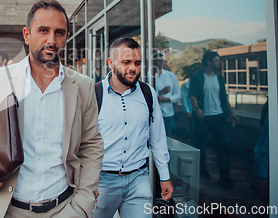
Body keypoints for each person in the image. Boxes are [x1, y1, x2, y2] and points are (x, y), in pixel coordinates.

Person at [0, 0, 104, 218]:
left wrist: (82, 205)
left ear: (67, 37)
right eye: (43, 31)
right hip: (7, 209)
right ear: (27, 35)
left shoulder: (83, 86)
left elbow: (92, 144)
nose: (51, 40)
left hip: (66, 209)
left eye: (59, 33)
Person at [94, 37, 173, 218]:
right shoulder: (94, 94)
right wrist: (87, 182)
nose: (133, 68)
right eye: (126, 62)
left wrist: (165, 176)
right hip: (102, 181)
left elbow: (157, 138)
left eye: (137, 63)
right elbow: (81, 143)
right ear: (111, 63)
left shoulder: (148, 93)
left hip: (139, 179)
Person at [189, 51, 239, 186]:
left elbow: (224, 96)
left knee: (223, 146)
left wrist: (231, 113)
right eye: (216, 60)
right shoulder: (197, 77)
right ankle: (201, 170)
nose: (219, 63)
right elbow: (192, 95)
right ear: (209, 62)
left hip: (219, 116)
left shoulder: (219, 77)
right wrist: (197, 108)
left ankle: (225, 176)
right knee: (201, 145)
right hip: (204, 117)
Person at [151, 53, 181, 136]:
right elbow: (145, 94)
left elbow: (178, 94)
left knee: (167, 137)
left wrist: (168, 99)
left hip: (168, 113)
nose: (161, 62)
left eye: (162, 60)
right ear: (153, 62)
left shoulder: (170, 76)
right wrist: (160, 93)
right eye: (159, 60)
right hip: (153, 114)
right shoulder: (148, 76)